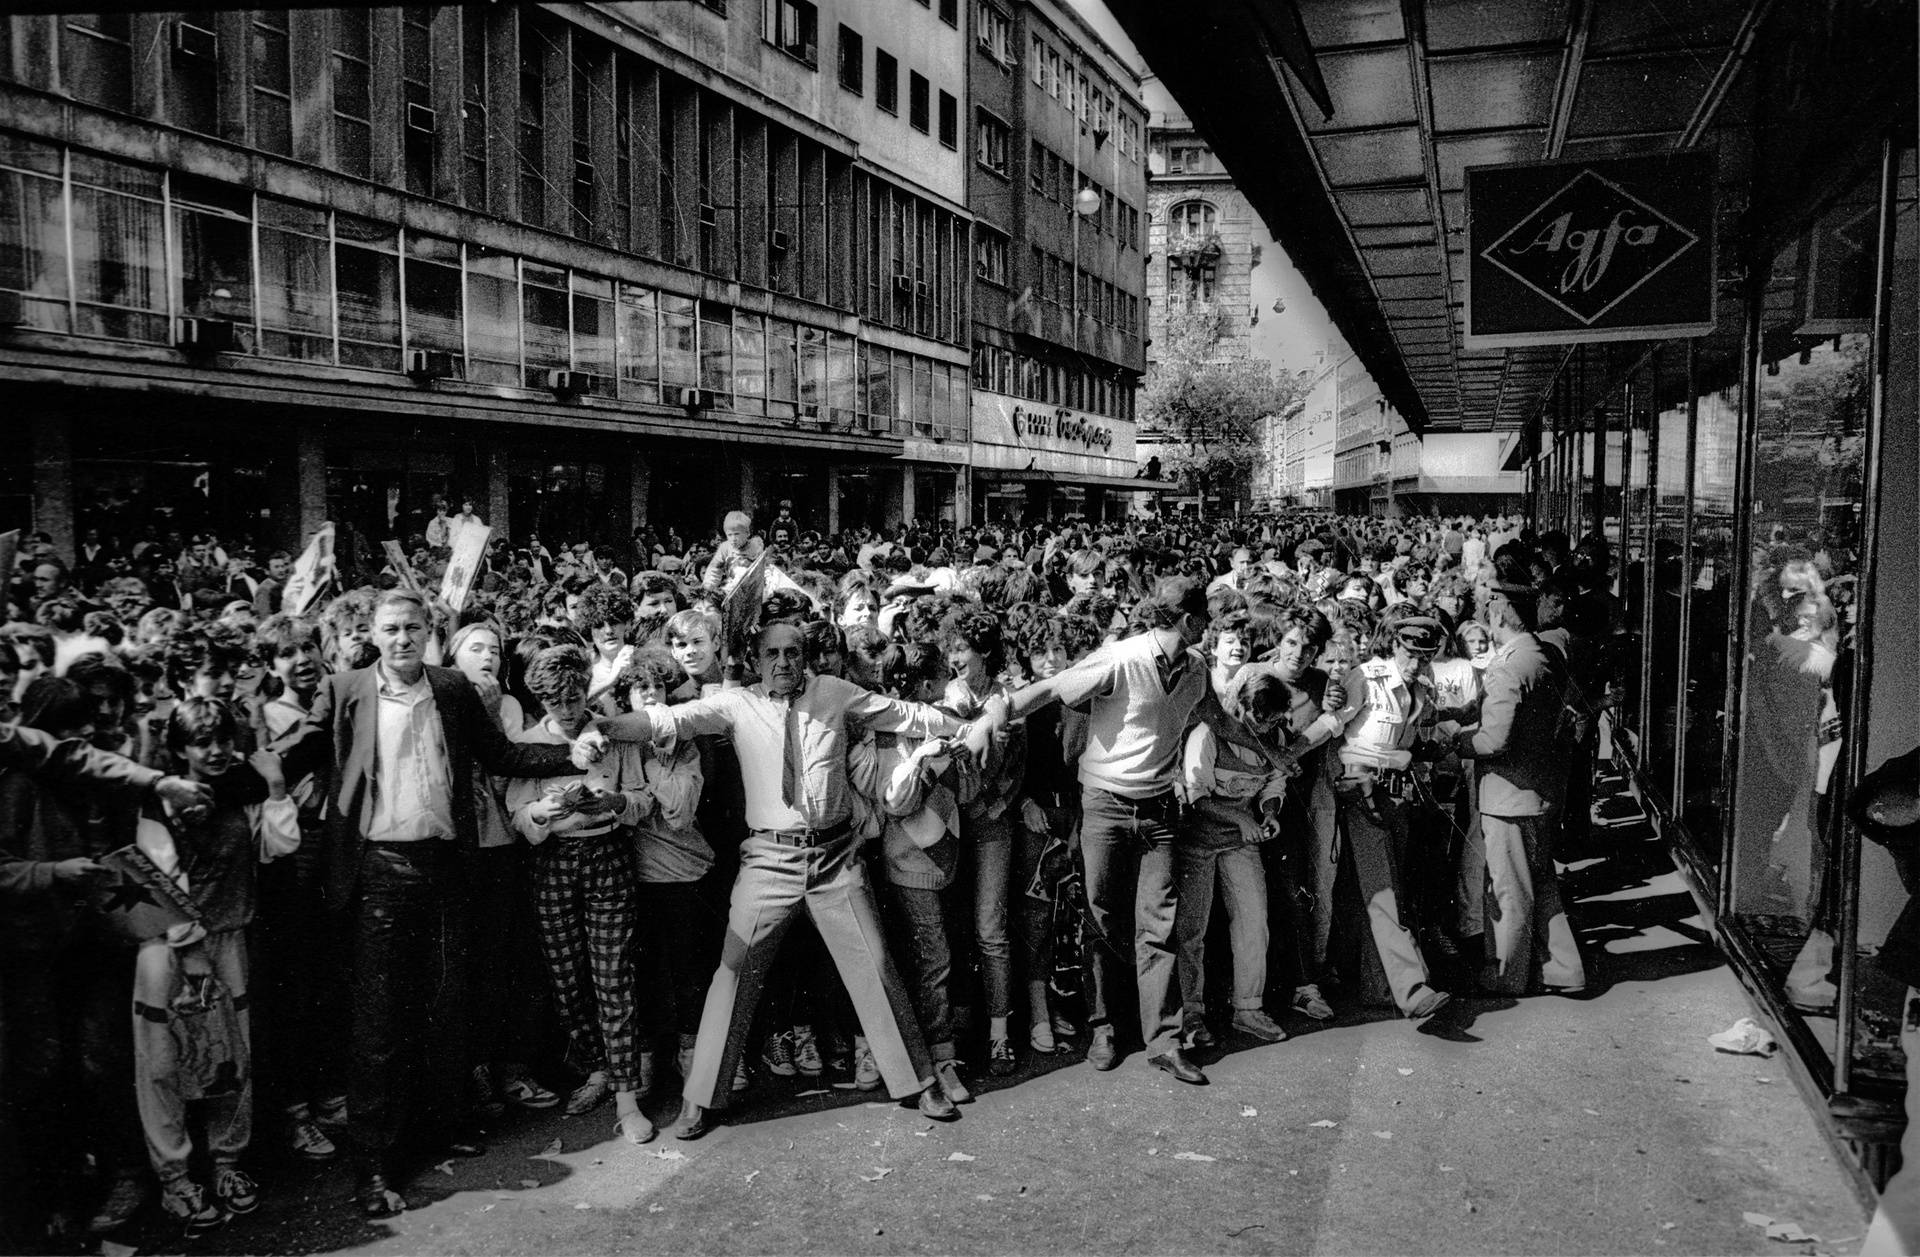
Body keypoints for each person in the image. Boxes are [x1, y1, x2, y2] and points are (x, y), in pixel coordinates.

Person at [591, 618, 998, 1138]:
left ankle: (919, 1082)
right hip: (767, 861)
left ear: (804, 656)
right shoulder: (735, 703)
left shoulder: (834, 693)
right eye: (772, 653)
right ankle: (700, 1097)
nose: (783, 662)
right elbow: (662, 722)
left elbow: (905, 714)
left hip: (835, 859)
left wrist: (968, 727)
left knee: (875, 964)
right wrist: (602, 727)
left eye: (792, 652)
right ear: (756, 658)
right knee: (732, 973)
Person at [269, 589, 584, 1218]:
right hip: (379, 870)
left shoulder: (451, 688)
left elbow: (499, 756)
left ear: (429, 631)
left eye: (413, 628)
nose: (403, 639)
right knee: (380, 1020)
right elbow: (292, 756)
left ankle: (438, 1129)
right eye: (391, 629)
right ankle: (375, 1164)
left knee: (444, 1003)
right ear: (374, 633)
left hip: (445, 866)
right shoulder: (343, 689)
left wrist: (569, 754)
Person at [984, 577, 1216, 1085]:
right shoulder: (1120, 658)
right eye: (1204, 619)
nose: (1209, 627)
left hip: (1158, 812)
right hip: (1105, 807)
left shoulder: (1197, 668)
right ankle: (1104, 1028)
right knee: (1101, 920)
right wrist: (994, 715)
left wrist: (1280, 754)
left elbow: (1215, 717)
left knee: (1158, 923)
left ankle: (1165, 1041)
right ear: (1189, 620)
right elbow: (1049, 689)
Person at [129, 700, 299, 1235]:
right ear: (179, 749)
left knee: (232, 1053)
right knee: (162, 1063)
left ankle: (228, 1163)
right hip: (167, 946)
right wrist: (190, 948)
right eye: (203, 742)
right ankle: (176, 1177)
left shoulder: (243, 795)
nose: (217, 751)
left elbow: (280, 844)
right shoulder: (160, 802)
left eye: (224, 739)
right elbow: (156, 880)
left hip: (229, 937)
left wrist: (274, 788)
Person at [1449, 579, 1586, 996]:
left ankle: (1506, 975)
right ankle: (1564, 968)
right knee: (1541, 883)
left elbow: (1493, 740)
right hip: (1542, 791)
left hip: (1509, 796)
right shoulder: (1543, 654)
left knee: (1508, 889)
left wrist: (1452, 739)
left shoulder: (1509, 664)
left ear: (1499, 612)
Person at [702, 511, 765, 592]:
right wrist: (709, 584)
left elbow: (762, 568)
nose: (733, 539)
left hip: (752, 586)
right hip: (732, 587)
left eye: (737, 534)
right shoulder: (725, 548)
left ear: (747, 533)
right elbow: (714, 568)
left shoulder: (755, 546)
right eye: (730, 535)